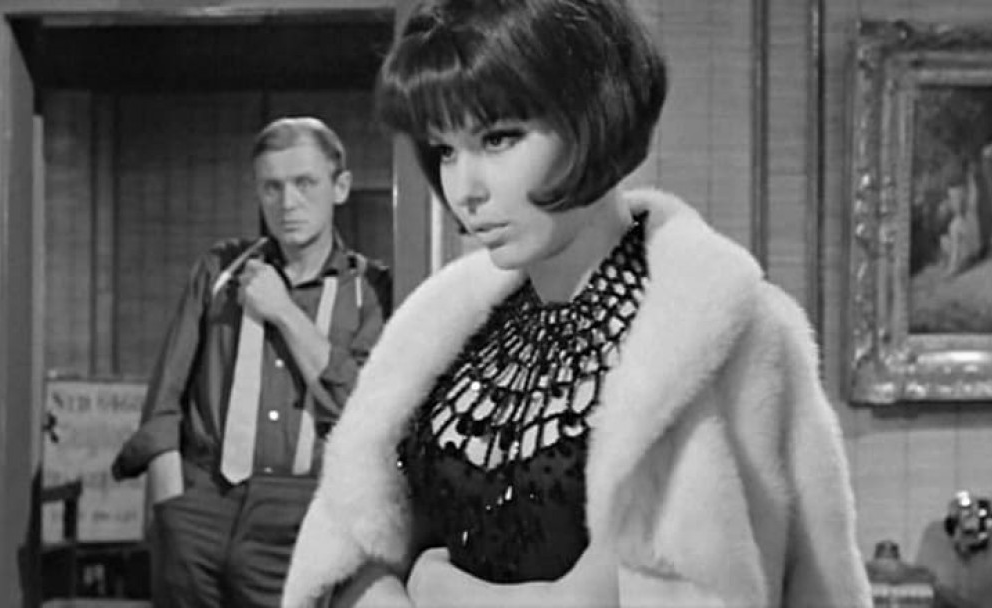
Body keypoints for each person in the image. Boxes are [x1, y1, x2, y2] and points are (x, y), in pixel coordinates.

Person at [282, 1, 871, 606]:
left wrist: (436, 586)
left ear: (592, 116)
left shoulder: (721, 336)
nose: (465, 190)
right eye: (445, 150)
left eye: (498, 138)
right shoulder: (440, 334)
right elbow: (346, 547)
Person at [111, 116, 390, 608]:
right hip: (201, 505)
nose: (288, 203)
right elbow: (164, 401)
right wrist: (172, 511)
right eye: (272, 187)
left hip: (304, 512)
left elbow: (363, 408)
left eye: (305, 183)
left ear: (340, 187)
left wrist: (283, 311)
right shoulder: (220, 271)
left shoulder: (371, 290)